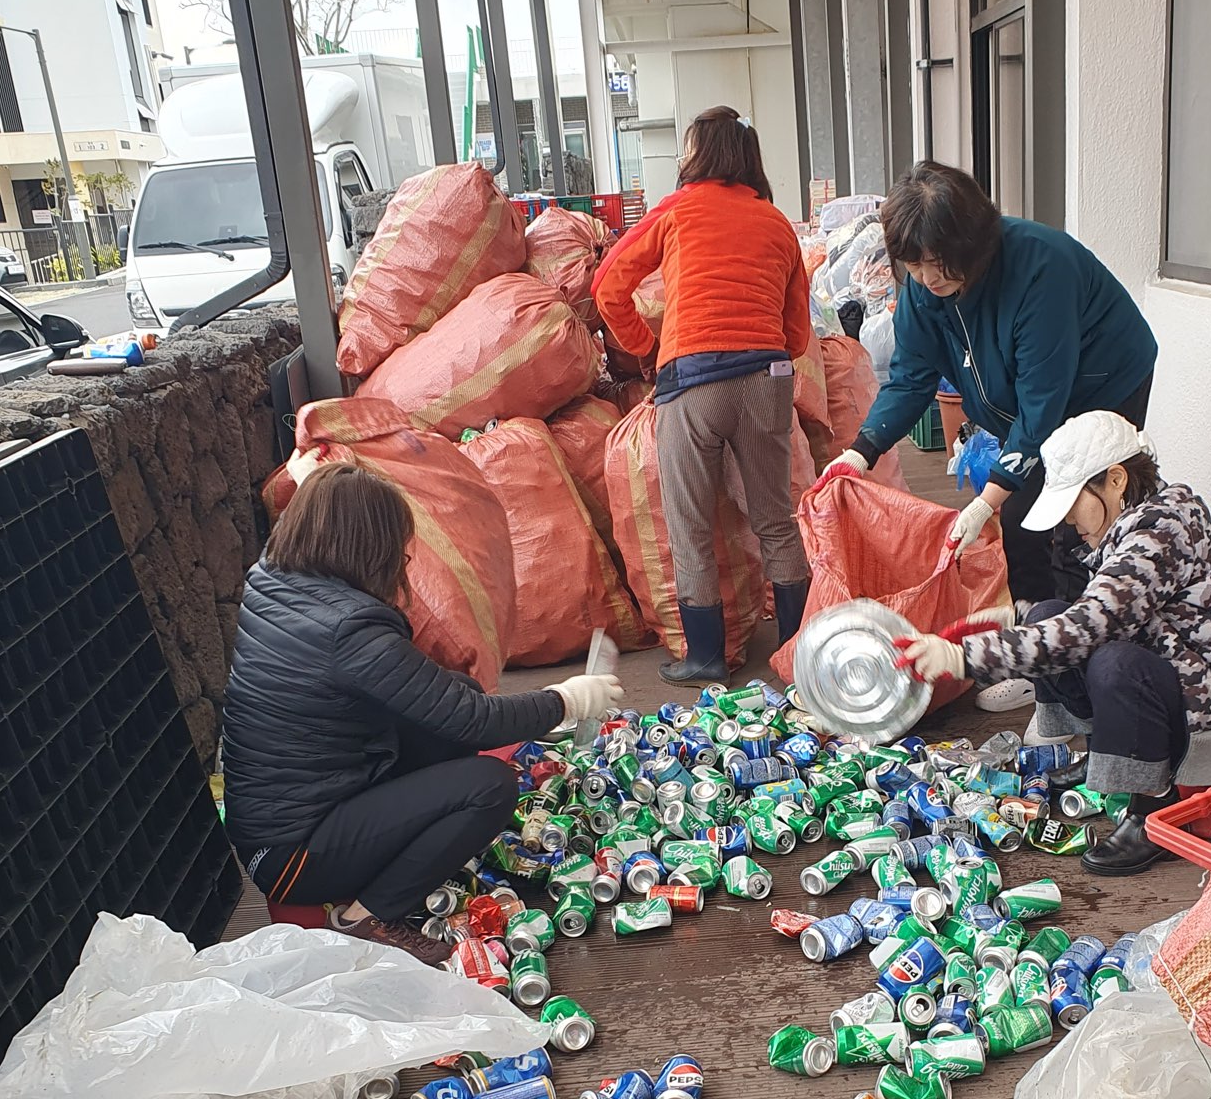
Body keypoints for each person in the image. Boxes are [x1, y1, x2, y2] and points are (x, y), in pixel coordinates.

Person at [223, 464, 623, 963]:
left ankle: (385, 866)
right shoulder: (350, 629)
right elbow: (478, 721)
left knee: (449, 695)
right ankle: (364, 918)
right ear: (371, 548)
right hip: (294, 853)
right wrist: (568, 699)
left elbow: (450, 704)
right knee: (489, 785)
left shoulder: (273, 579)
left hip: (278, 811)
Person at [898, 412, 1211, 877]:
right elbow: (1088, 613)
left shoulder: (1159, 534)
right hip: (1188, 672)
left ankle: (1154, 808)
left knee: (1113, 663)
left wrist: (963, 657)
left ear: (1115, 479)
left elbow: (1089, 627)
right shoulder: (1136, 521)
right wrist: (1017, 615)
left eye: (1073, 502)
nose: (1067, 519)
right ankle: (1107, 763)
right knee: (1049, 614)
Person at [824, 162, 1159, 650]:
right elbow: (910, 378)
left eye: (939, 263)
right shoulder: (922, 285)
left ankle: (1085, 652)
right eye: (914, 266)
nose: (927, 278)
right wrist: (861, 451)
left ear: (973, 242)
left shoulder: (1040, 267)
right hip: (1031, 398)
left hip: (1103, 381)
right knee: (1024, 524)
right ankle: (1038, 643)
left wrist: (987, 501)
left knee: (1076, 519)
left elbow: (1041, 405)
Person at [594, 105, 814, 686]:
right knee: (775, 520)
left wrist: (648, 347)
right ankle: (797, 653)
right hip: (766, 377)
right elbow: (796, 332)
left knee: (689, 523)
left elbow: (607, 285)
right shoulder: (776, 223)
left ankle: (706, 657)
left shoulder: (676, 211)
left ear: (699, 154)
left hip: (691, 382)